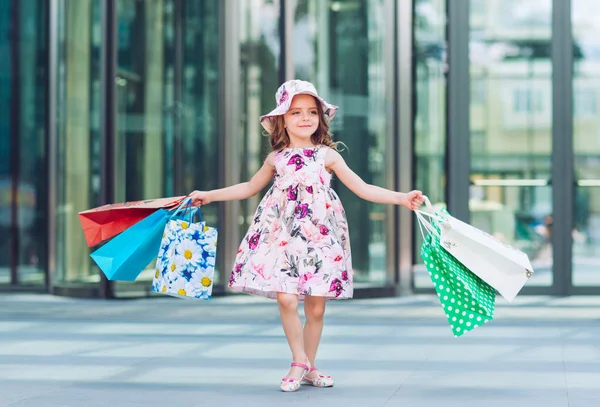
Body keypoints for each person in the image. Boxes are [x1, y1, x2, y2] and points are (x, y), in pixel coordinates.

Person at [190, 80, 424, 392]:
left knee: (316, 307)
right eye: (296, 112)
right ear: (281, 120)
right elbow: (247, 188)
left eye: (312, 112)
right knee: (286, 298)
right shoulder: (277, 159)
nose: (305, 118)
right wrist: (209, 195)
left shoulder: (327, 155)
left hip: (320, 238)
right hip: (281, 235)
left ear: (320, 118)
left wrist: (401, 197)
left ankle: (309, 367)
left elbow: (363, 188)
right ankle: (299, 361)